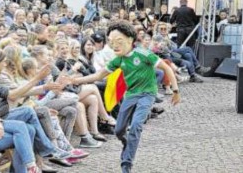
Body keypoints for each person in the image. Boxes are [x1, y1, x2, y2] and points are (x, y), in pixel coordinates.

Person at [71, 20, 180, 173]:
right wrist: (74, 80)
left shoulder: (144, 54)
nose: (114, 45)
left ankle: (126, 164)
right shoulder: (118, 59)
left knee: (136, 126)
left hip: (147, 94)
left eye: (118, 41)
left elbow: (166, 68)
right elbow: (97, 75)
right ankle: (127, 143)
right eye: (111, 42)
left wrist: (175, 91)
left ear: (130, 40)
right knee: (119, 130)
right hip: (130, 95)